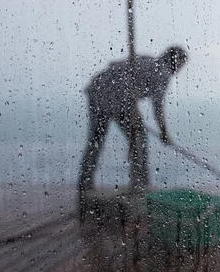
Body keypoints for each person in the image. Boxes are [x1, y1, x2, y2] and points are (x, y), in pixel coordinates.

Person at [79, 46, 188, 199]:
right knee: (139, 138)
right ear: (175, 61)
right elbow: (157, 107)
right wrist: (164, 133)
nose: (180, 69)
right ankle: (140, 185)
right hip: (115, 96)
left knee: (96, 141)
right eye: (181, 64)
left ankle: (85, 184)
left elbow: (116, 67)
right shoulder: (162, 73)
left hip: (97, 90)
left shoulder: (148, 60)